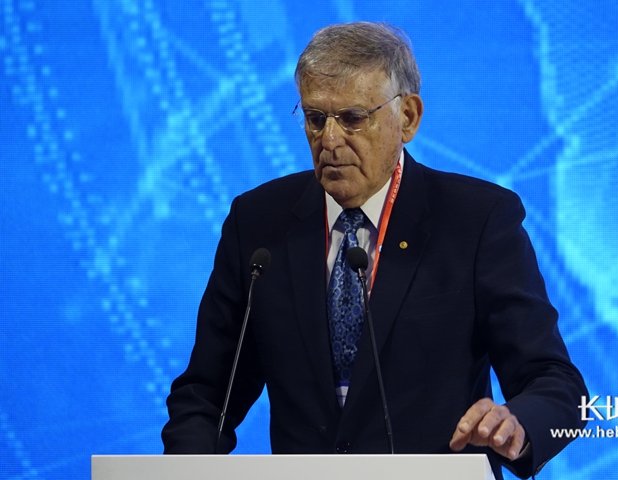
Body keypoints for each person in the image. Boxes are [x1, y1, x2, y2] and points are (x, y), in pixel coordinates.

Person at [162, 22, 587, 479]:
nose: (329, 141)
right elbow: (207, 396)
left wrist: (517, 422)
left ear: (408, 117)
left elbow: (557, 385)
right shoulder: (258, 224)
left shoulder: (476, 221)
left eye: (352, 118)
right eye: (315, 118)